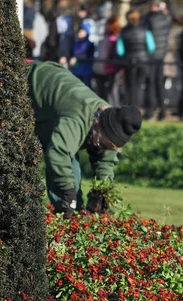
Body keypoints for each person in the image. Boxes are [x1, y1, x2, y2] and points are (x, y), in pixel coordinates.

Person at [27, 61, 142, 217]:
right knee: (65, 170)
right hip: (29, 82)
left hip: (52, 105)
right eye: (108, 144)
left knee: (69, 178)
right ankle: (67, 218)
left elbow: (106, 162)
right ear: (100, 129)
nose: (107, 149)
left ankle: (70, 217)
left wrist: (102, 192)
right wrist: (68, 192)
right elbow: (58, 154)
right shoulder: (77, 117)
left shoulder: (109, 121)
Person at [117, 9, 156, 107]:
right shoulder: (145, 30)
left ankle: (128, 106)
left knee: (129, 86)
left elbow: (120, 50)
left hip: (128, 61)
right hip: (143, 61)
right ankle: (137, 107)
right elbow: (151, 47)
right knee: (139, 85)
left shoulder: (123, 31)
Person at [144, 0, 172, 120]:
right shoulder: (167, 18)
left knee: (150, 83)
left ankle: (149, 112)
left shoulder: (150, 19)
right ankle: (163, 112)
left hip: (151, 54)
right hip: (161, 54)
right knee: (159, 84)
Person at [93, 16, 122, 104]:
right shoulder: (108, 37)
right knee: (108, 90)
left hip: (111, 67)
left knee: (112, 90)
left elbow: (107, 54)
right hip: (106, 67)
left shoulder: (113, 38)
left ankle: (115, 109)